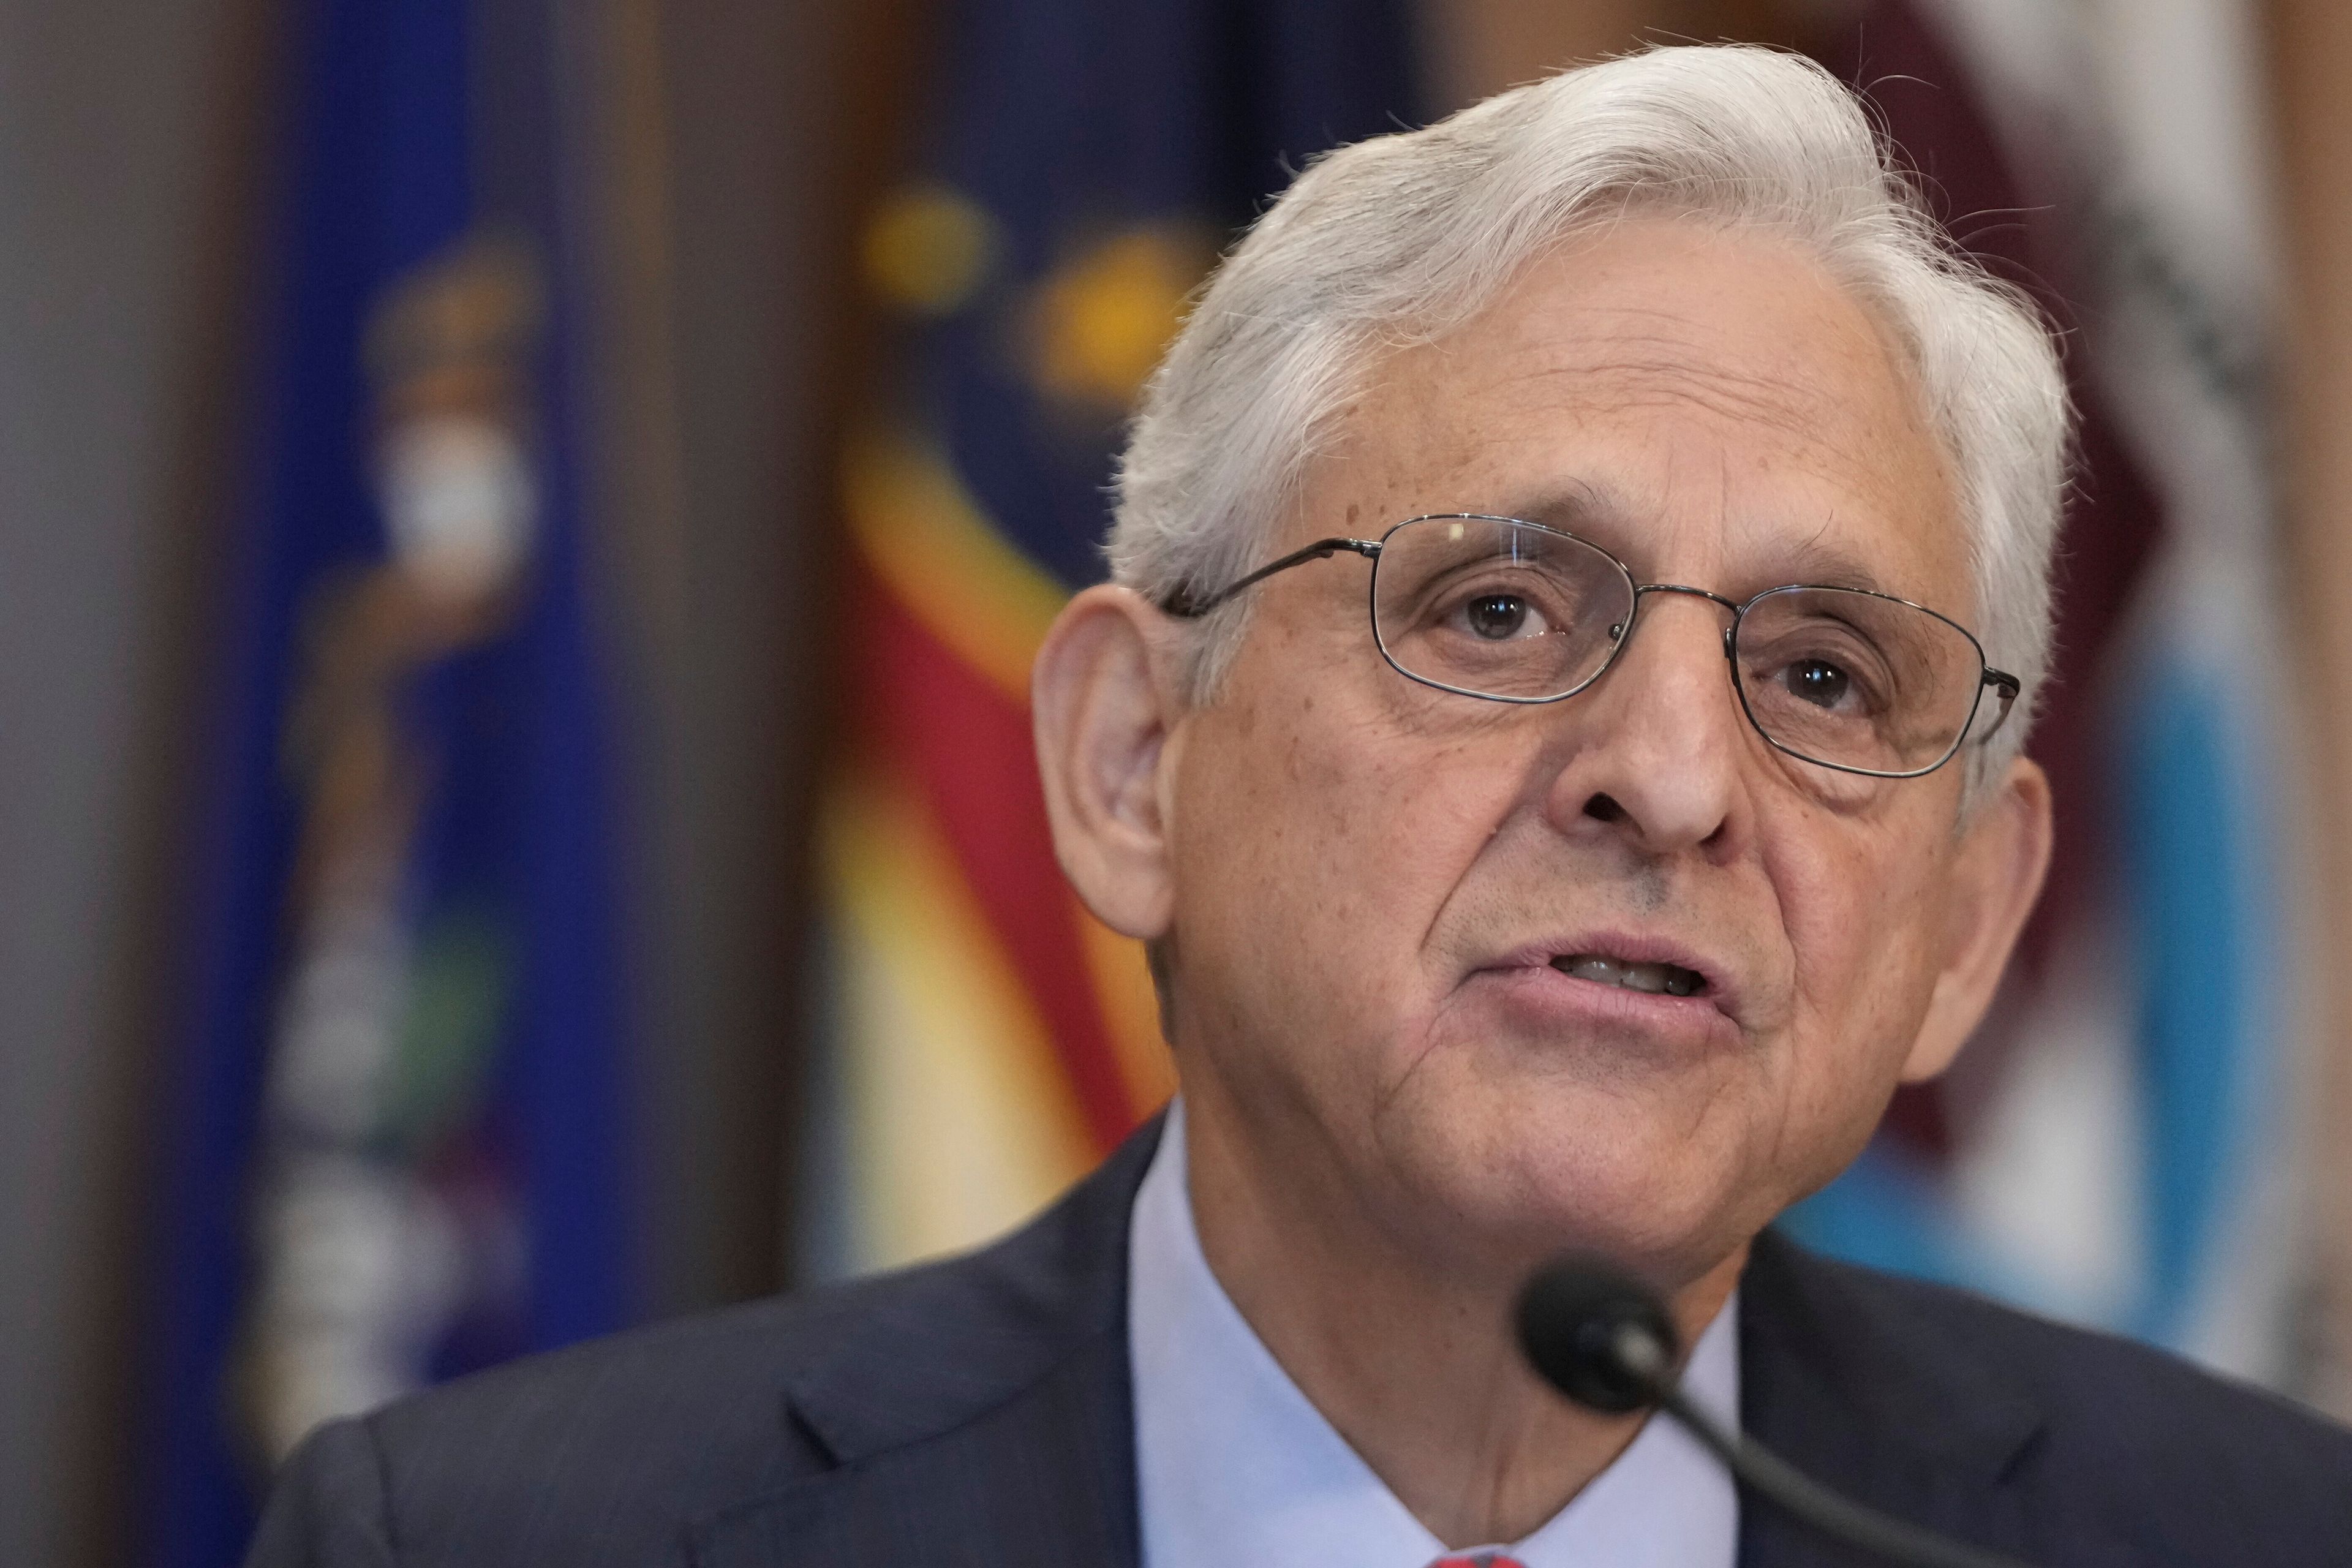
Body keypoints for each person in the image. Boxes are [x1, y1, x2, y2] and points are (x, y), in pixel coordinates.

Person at [247, 44, 2352, 1568]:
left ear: (1966, 932)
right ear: (1133, 762)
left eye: (1822, 672)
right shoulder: (500, 1542)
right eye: (1504, 607)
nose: (1679, 776)